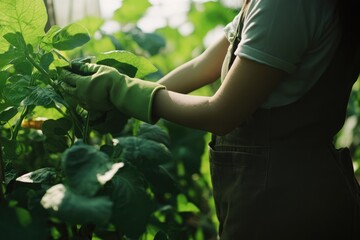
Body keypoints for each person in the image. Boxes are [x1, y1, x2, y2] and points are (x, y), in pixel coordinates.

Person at [61, 0, 360, 239]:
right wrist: (120, 101)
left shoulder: (287, 6)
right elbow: (202, 65)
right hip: (286, 190)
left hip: (284, 203)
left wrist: (121, 90)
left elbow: (222, 113)